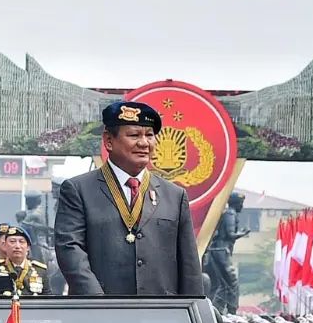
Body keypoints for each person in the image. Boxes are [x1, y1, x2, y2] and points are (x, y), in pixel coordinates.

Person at [53, 100, 202, 296]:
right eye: (134, 135)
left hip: (161, 316)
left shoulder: (174, 195)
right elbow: (70, 249)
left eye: (149, 135)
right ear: (108, 141)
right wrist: (98, 302)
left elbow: (189, 263)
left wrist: (192, 310)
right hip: (100, 314)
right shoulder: (78, 190)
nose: (144, 143)